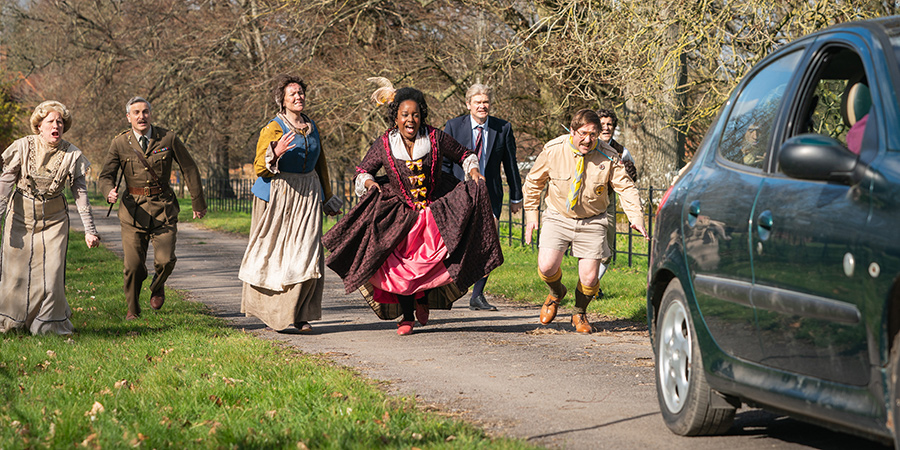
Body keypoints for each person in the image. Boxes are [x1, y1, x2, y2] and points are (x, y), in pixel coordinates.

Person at [323, 79, 502, 336]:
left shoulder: (435, 137)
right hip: (400, 215)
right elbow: (363, 170)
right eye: (404, 115)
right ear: (395, 117)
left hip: (433, 213)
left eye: (415, 115)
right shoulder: (385, 143)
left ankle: (423, 297)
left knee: (429, 262)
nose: (410, 120)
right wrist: (370, 181)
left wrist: (473, 169)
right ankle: (406, 316)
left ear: (422, 116)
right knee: (400, 267)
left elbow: (464, 155)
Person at [523, 109, 647, 334]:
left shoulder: (609, 155)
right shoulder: (553, 150)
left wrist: (636, 217)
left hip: (593, 219)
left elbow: (626, 188)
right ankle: (556, 294)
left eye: (593, 134)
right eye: (583, 133)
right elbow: (533, 183)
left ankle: (579, 312)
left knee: (590, 277)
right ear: (572, 131)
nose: (588, 140)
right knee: (547, 265)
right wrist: (531, 215)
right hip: (558, 215)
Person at [238, 75, 342, 333]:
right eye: (292, 94)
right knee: (275, 256)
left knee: (307, 255)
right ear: (282, 100)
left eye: (301, 93)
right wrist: (275, 153)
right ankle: (274, 313)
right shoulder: (274, 127)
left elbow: (322, 165)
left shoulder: (312, 126)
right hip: (277, 196)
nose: (298, 97)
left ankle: (301, 314)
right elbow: (260, 168)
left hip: (307, 196)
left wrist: (327, 197)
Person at [98, 96, 206, 321]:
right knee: (134, 266)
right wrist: (108, 190)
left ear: (150, 114)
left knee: (165, 261)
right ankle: (133, 309)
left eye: (145, 111)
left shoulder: (168, 137)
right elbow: (106, 175)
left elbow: (189, 168)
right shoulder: (119, 143)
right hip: (132, 212)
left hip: (163, 209)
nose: (141, 116)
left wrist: (198, 202)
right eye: (136, 112)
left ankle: (158, 285)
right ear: (128, 117)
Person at [0, 101, 100, 335]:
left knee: (52, 273)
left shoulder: (72, 154)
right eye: (51, 122)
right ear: (39, 126)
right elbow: (4, 183)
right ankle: (13, 322)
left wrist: (90, 230)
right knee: (15, 272)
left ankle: (48, 325)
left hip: (55, 219)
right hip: (20, 217)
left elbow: (80, 193)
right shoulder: (22, 147)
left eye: (60, 122)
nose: (57, 125)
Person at [443, 83, 523, 311]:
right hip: (459, 194)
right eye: (477, 102)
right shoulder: (453, 126)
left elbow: (510, 164)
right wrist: (445, 193)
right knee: (456, 243)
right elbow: (445, 163)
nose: (482, 106)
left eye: (485, 102)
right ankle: (448, 291)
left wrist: (516, 196)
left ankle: (477, 295)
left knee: (489, 242)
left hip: (490, 195)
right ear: (468, 105)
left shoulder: (502, 128)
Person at [595, 108, 638, 297]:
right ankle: (589, 287)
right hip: (587, 202)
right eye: (602, 124)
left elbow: (632, 177)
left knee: (608, 250)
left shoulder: (622, 151)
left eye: (609, 124)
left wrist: (626, 171)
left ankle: (591, 285)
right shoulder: (588, 145)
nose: (606, 128)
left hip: (609, 202)